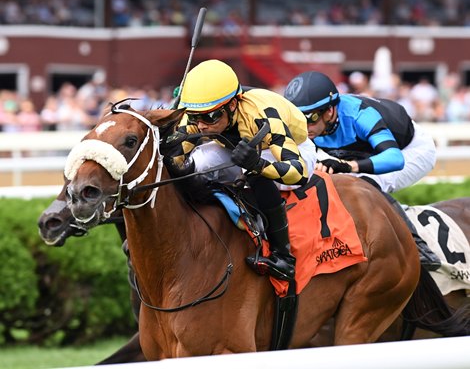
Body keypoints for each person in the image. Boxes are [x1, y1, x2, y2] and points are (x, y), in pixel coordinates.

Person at [170, 59, 317, 281]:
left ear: (232, 105)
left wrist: (258, 164)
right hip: (236, 147)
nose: (200, 125)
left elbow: (298, 172)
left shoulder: (264, 115)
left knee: (253, 174)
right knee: (194, 165)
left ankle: (283, 257)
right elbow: (173, 158)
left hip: (291, 151)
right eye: (194, 117)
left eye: (209, 117)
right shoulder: (202, 116)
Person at [284, 70, 439, 268]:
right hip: (359, 151)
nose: (304, 128)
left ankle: (417, 247)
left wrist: (349, 166)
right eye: (298, 119)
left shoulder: (360, 115)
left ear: (329, 111)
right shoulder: (314, 125)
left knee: (368, 185)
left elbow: (394, 158)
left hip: (408, 150)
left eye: (310, 118)